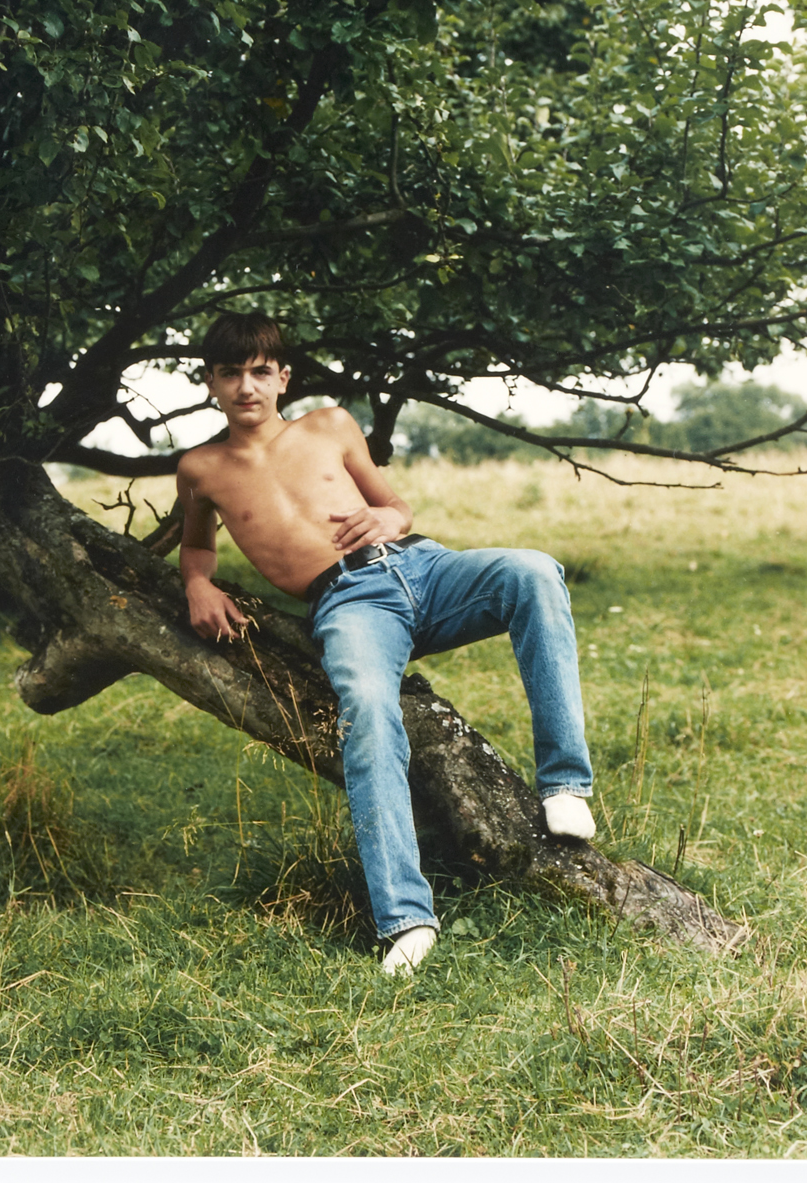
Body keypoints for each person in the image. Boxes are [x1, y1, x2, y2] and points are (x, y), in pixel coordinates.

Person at [177, 312, 596, 975]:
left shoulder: (329, 425)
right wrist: (198, 583)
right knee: (369, 710)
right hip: (349, 604)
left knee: (535, 571)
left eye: (260, 371)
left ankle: (565, 783)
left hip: (421, 567)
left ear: (283, 377)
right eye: (230, 373)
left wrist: (386, 516)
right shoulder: (201, 469)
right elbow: (197, 543)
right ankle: (404, 915)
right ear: (210, 383)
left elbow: (398, 505)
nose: (246, 387)